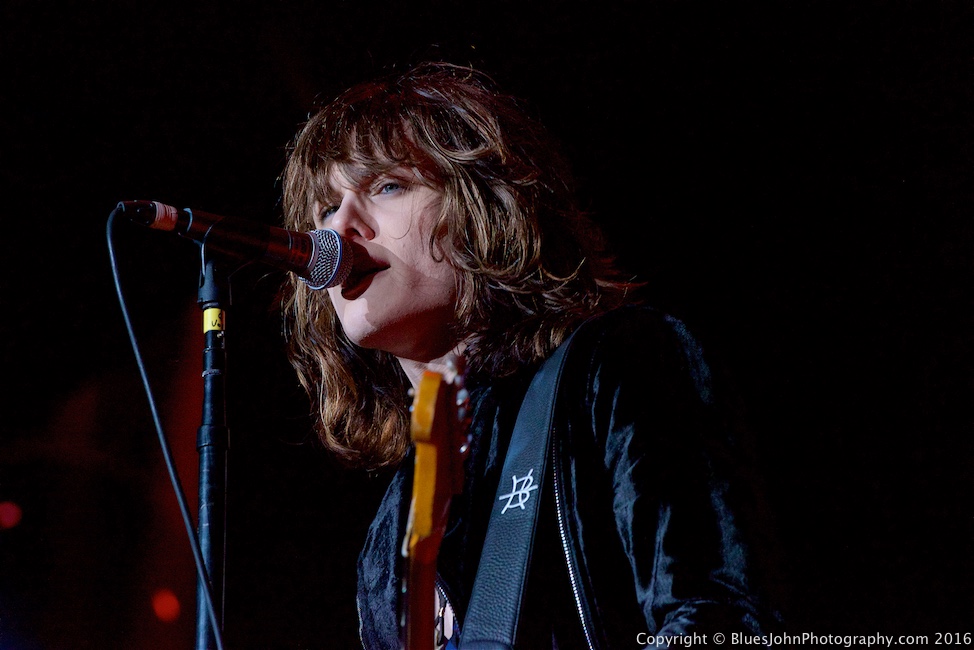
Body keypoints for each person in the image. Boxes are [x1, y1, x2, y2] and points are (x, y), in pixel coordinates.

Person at [280, 61, 782, 649]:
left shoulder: (616, 368)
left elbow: (720, 621)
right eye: (325, 208)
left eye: (387, 186)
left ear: (483, 207)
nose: (338, 228)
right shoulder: (391, 528)